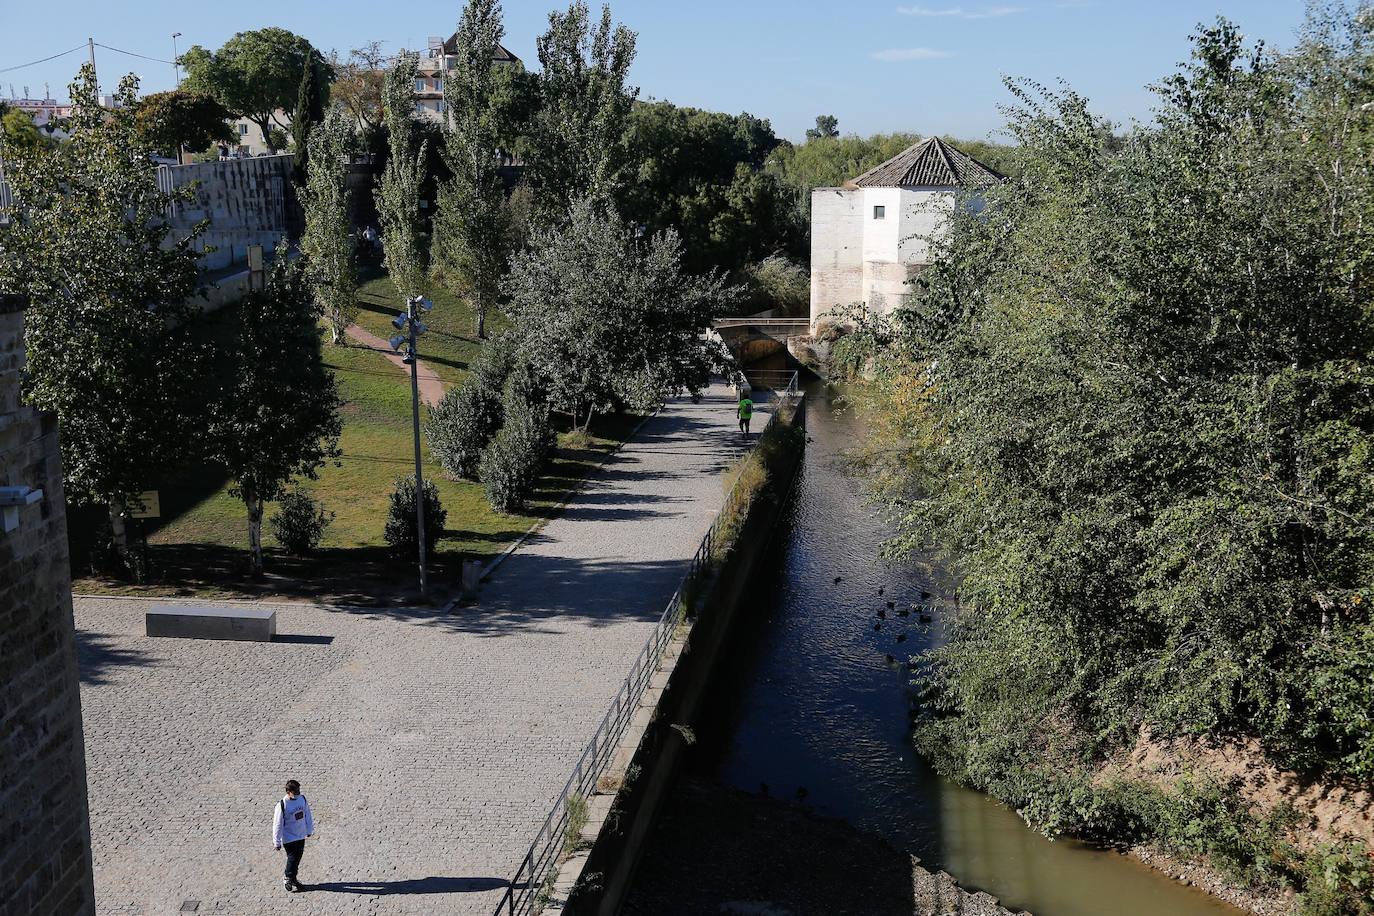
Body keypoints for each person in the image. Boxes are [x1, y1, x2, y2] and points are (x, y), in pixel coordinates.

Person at [272, 779, 314, 892]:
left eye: (299, 789)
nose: (298, 792)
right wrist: (277, 842)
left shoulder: (302, 799)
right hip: (289, 837)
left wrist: (309, 830)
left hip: (300, 835)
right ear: (288, 791)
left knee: (297, 858)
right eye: (295, 790)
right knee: (292, 858)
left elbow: (307, 815)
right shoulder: (282, 805)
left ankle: (293, 878)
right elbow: (277, 824)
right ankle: (288, 877)